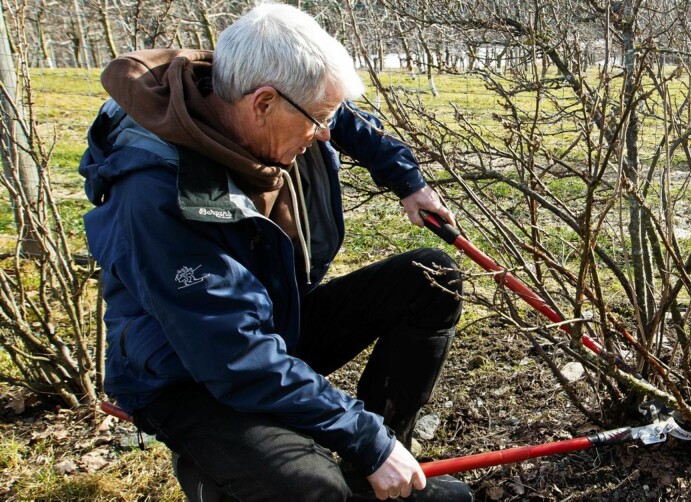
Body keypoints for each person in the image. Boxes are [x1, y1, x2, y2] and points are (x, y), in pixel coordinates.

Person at [79, 2, 469, 500]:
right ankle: (227, 469)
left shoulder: (252, 97)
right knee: (313, 491)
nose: (327, 132)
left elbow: (341, 118)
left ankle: (380, 472)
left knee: (428, 278)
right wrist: (366, 439)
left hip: (268, 324)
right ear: (263, 104)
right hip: (191, 372)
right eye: (320, 119)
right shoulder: (159, 194)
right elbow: (235, 354)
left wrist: (406, 181)